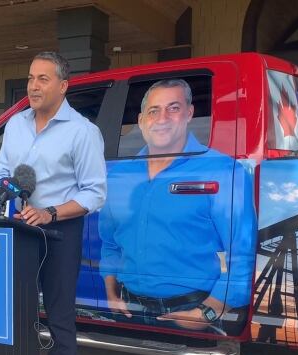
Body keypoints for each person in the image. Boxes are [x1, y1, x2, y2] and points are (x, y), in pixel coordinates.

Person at [0, 51, 106, 355]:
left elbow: (94, 194)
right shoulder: (15, 126)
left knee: (59, 323)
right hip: (20, 232)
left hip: (60, 233)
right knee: (17, 319)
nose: (33, 86)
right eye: (30, 78)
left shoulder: (83, 132)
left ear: (63, 85)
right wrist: (7, 191)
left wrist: (51, 212)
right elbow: (3, 172)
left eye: (43, 78)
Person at [99, 79, 256, 334]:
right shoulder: (119, 176)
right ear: (141, 120)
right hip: (129, 309)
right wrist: (110, 292)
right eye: (153, 110)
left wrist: (210, 310)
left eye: (173, 108)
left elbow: (242, 250)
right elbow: (110, 242)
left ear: (189, 113)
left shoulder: (223, 171)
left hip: (192, 311)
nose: (162, 118)